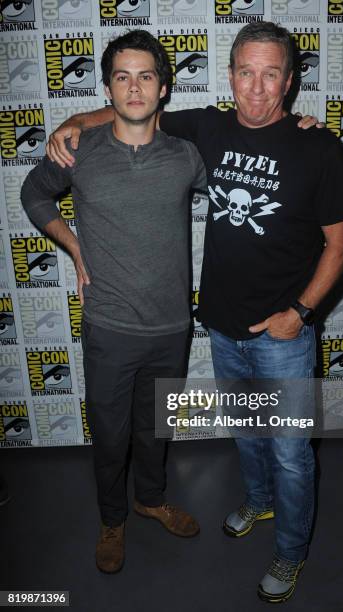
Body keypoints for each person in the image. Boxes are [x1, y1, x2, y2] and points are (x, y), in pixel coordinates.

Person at [46, 22, 343, 604]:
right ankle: (258, 503)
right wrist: (74, 123)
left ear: (290, 82)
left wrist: (299, 312)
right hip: (221, 327)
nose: (258, 88)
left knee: (292, 455)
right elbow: (134, 112)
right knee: (246, 433)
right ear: (232, 75)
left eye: (272, 74)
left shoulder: (319, 146)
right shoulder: (209, 127)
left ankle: (290, 555)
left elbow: (341, 245)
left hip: (284, 335)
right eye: (247, 72)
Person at [21, 30, 207, 575]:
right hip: (109, 325)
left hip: (172, 325)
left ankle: (150, 499)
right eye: (122, 76)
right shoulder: (78, 151)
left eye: (145, 75)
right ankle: (112, 519)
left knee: (156, 427)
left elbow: (248, 173)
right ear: (108, 87)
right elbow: (34, 194)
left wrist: (300, 129)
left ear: (163, 87)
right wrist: (75, 246)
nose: (134, 87)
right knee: (111, 432)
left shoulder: (186, 156)